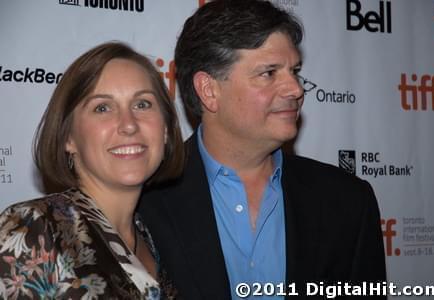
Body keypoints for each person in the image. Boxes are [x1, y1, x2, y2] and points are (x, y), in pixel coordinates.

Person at [139, 0, 387, 299]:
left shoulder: (347, 200)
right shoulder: (144, 200)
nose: (296, 89)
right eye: (269, 73)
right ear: (209, 90)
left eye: (294, 71)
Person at [0, 42, 184, 299]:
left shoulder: (156, 239)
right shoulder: (34, 230)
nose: (129, 125)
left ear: (165, 130)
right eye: (102, 108)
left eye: (142, 104)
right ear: (69, 138)